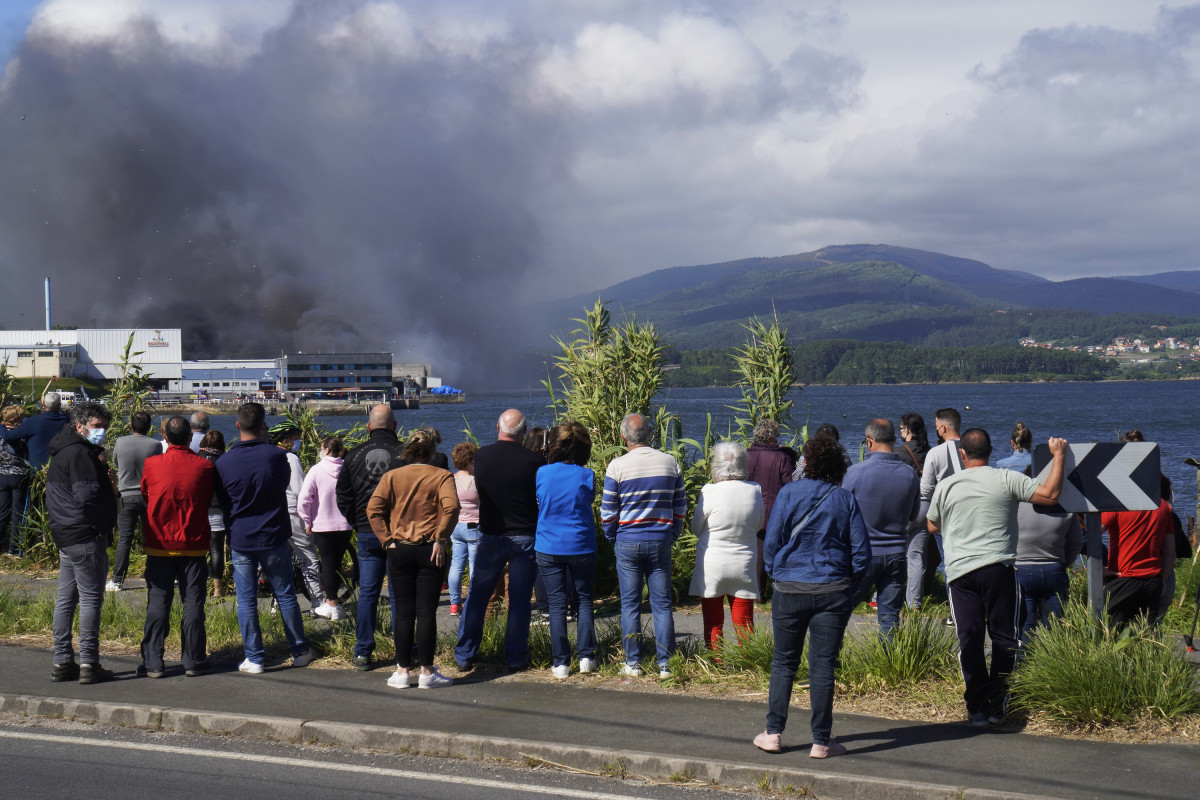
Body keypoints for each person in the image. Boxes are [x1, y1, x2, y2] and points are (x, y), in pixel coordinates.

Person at [926, 429, 1067, 725]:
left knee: (970, 640)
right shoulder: (1006, 478)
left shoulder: (948, 485)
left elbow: (932, 525)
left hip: (960, 574)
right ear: (990, 452)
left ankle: (975, 706)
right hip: (998, 569)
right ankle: (997, 703)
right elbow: (1050, 495)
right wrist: (1059, 456)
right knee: (1005, 639)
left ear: (962, 454)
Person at [753, 435, 869, 759]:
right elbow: (861, 555)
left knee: (784, 662)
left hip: (790, 587)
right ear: (838, 466)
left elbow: (772, 541)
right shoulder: (844, 499)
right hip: (833, 589)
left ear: (807, 463)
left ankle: (773, 733)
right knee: (822, 666)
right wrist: (849, 586)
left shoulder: (789, 493)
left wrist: (777, 573)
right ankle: (821, 740)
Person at [216, 402, 317, 673]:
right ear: (263, 426)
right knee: (285, 594)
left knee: (247, 599)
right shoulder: (276, 456)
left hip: (241, 537)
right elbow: (283, 484)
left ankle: (255, 657)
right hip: (273, 534)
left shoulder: (224, 461)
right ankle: (300, 649)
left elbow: (224, 500)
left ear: (237, 425)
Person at [454, 409, 545, 672]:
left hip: (491, 533)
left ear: (497, 427)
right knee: (519, 600)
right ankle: (516, 656)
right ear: (524, 433)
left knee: (477, 595)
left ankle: (465, 654)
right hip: (525, 535)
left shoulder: (481, 456)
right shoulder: (535, 461)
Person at [369, 429, 459, 689]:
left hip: (399, 548)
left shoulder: (391, 476)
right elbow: (452, 507)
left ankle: (402, 670)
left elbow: (373, 509)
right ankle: (427, 672)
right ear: (433, 452)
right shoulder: (441, 476)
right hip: (430, 548)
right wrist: (441, 537)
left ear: (409, 450)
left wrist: (386, 539)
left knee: (405, 612)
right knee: (426, 612)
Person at [601, 412, 686, 678]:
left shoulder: (617, 466)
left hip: (627, 539)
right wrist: (673, 533)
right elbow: (680, 506)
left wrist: (612, 536)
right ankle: (665, 664)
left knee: (630, 605)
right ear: (650, 435)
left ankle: (633, 662)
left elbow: (608, 512)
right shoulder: (669, 462)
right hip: (660, 539)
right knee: (662, 605)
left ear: (624, 437)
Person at [138, 415, 219, 679]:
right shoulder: (204, 467)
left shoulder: (152, 464)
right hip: (194, 542)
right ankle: (194, 659)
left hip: (159, 542)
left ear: (164, 437)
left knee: (158, 600)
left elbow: (145, 494)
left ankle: (153, 662)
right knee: (193, 601)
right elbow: (208, 499)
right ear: (189, 438)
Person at [47, 401, 117, 684]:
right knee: (90, 599)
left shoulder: (62, 451)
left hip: (65, 531)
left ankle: (63, 660)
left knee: (66, 598)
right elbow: (87, 496)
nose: (102, 431)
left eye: (104, 426)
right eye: (97, 426)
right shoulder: (80, 454)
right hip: (84, 532)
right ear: (80, 426)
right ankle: (89, 662)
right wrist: (104, 517)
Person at [336, 404, 406, 670]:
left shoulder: (352, 456)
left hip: (366, 532)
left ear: (368, 427)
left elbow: (342, 496)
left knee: (368, 594)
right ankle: (404, 653)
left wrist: (357, 523)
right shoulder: (405, 454)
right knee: (399, 594)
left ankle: (363, 651)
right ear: (395, 425)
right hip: (399, 534)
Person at [843, 419, 920, 637]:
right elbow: (913, 515)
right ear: (894, 439)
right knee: (889, 617)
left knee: (840, 610)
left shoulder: (856, 473)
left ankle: (830, 661)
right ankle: (890, 663)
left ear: (869, 441)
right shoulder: (909, 474)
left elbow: (842, 514)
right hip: (897, 553)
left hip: (862, 553)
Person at [535, 421, 599, 678]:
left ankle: (560, 662)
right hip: (581, 544)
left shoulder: (542, 473)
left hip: (549, 544)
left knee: (558, 604)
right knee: (584, 600)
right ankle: (586, 656)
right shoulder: (588, 475)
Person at [689, 441, 763, 650]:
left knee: (713, 621)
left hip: (712, 563)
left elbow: (696, 528)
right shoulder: (754, 490)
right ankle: (748, 663)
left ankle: (715, 662)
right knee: (744, 621)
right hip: (744, 562)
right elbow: (757, 524)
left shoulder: (709, 491)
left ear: (717, 465)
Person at [1101, 473, 1175, 628]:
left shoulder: (1117, 504)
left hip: (1123, 577)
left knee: (1112, 633)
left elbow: (1092, 535)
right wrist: (1160, 580)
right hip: (1153, 580)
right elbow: (1170, 553)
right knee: (1145, 634)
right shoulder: (1163, 506)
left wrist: (1098, 570)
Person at [915, 408, 965, 618]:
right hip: (972, 512)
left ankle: (956, 612)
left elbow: (925, 489)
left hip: (946, 514)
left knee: (949, 562)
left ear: (943, 427)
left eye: (936, 427)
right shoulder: (971, 446)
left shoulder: (935, 453)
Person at [269, 421, 324, 609]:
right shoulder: (291, 459)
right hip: (292, 512)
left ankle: (277, 603)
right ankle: (317, 601)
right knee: (308, 556)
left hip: (274, 512)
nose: (297, 442)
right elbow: (301, 491)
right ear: (285, 440)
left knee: (280, 559)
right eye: (294, 439)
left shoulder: (268, 455)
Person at [1015, 493, 1082, 644]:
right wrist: (1064, 563)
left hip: (1021, 569)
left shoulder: (1015, 506)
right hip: (1055, 568)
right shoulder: (1065, 507)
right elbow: (1076, 541)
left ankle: (1024, 663)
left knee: (1025, 624)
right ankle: (1056, 662)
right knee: (1056, 624)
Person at [299, 437, 354, 620]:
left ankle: (332, 603)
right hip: (345, 524)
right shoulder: (348, 468)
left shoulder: (316, 470)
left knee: (328, 563)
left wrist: (307, 521)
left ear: (326, 450)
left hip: (322, 525)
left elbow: (304, 499)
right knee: (336, 564)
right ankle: (333, 602)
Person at [107, 411, 163, 592]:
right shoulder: (155, 445)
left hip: (126, 496)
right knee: (152, 538)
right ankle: (154, 576)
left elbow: (116, 461)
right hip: (149, 496)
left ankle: (117, 580)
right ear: (149, 428)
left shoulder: (121, 442)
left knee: (125, 539)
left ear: (131, 426)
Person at [746, 418, 793, 597]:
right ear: (773, 437)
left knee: (755, 549)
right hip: (775, 509)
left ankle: (757, 591)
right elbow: (789, 484)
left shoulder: (745, 455)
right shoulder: (782, 457)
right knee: (777, 550)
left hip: (750, 508)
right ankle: (779, 591)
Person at [448, 442, 480, 616]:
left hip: (455, 526)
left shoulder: (451, 479)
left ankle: (454, 603)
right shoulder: (476, 480)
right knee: (474, 564)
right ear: (471, 460)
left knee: (456, 564)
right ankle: (473, 599)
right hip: (474, 526)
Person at [1, 392, 72, 469]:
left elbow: (9, 437)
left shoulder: (33, 421)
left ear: (44, 404)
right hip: (61, 468)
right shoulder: (68, 421)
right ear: (60, 405)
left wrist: (1, 426)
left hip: (38, 470)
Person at [197, 429, 229, 597]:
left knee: (199, 550)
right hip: (218, 510)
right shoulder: (225, 461)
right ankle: (218, 588)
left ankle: (198, 583)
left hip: (198, 511)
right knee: (216, 549)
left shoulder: (196, 459)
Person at [0, 406, 30, 556]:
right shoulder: (21, 434)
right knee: (17, 512)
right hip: (19, 475)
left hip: (2, 475)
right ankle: (14, 548)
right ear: (15, 419)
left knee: (3, 512)